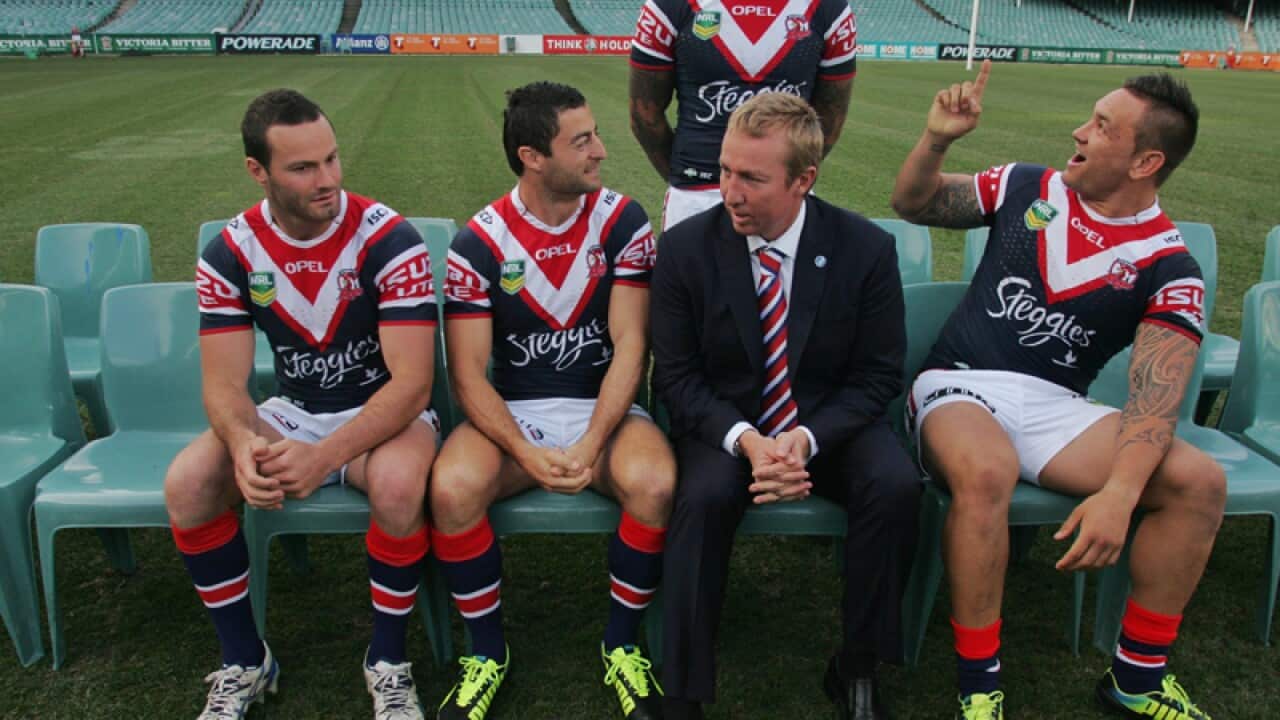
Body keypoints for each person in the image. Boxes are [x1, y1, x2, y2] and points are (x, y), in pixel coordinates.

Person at [892, 62, 1225, 720]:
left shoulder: (1169, 264)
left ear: (1144, 160)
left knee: (1199, 483)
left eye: (1102, 127)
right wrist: (936, 141)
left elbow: (1155, 403)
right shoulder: (1025, 186)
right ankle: (979, 685)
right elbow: (913, 203)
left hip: (1056, 408)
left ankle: (1135, 681)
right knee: (987, 469)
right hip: (958, 384)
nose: (1079, 131)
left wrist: (1120, 495)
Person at [166, 89, 439, 720]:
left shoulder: (388, 239)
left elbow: (413, 385)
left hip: (384, 410)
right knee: (188, 483)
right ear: (257, 171)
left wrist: (323, 458)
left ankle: (388, 662)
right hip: (295, 409)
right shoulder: (230, 253)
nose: (328, 179)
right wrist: (243, 446)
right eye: (304, 168)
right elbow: (225, 385)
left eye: (332, 159)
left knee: (398, 484)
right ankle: (244, 660)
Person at [651, 92, 920, 720]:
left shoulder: (864, 249)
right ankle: (684, 689)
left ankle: (857, 666)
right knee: (702, 496)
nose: (730, 190)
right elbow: (679, 379)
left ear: (805, 180)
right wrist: (747, 439)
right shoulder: (687, 249)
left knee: (895, 484)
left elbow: (878, 375)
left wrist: (804, 439)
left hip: (827, 426)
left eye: (751, 177)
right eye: (723, 170)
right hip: (726, 425)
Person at [430, 81, 674, 720]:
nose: (600, 151)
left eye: (594, 134)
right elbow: (469, 377)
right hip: (510, 416)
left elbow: (630, 347)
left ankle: (622, 645)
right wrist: (523, 450)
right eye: (582, 140)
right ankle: (486, 653)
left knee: (653, 482)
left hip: (607, 411)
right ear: (532, 157)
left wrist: (592, 441)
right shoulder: (478, 243)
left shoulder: (622, 220)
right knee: (453, 489)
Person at [629, 0, 858, 231]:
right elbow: (644, 116)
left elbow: (828, 120)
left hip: (781, 199)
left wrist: (781, 180)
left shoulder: (829, 8)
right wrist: (686, 175)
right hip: (696, 197)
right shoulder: (667, 6)